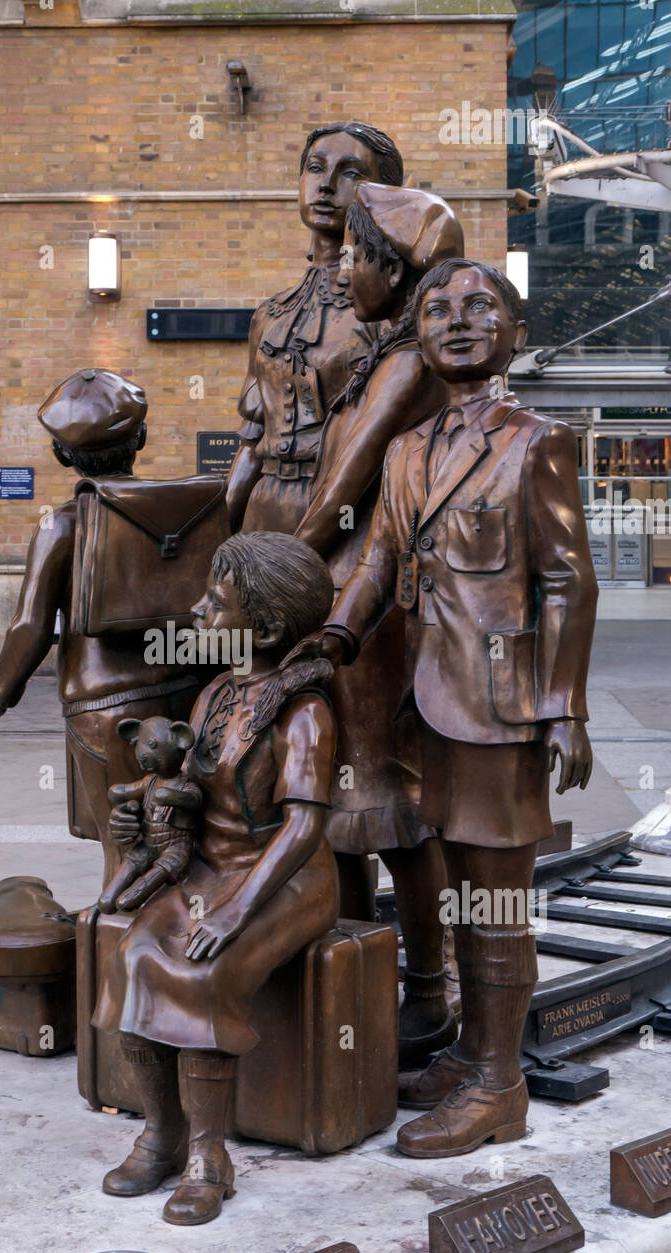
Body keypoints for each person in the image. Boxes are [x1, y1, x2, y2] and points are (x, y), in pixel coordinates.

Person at [286, 260, 597, 1158]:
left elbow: (568, 583)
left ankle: (501, 1088)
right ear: (417, 337)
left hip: (501, 713)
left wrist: (563, 707)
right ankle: (470, 1054)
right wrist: (335, 638)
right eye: (436, 310)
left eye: (479, 307)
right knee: (460, 895)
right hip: (426, 714)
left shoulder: (537, 441)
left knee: (498, 904)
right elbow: (379, 564)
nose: (456, 322)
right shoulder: (404, 452)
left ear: (515, 333)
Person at [93, 532, 339, 1225]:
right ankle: (161, 1133)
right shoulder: (213, 696)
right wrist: (146, 824)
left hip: (284, 878)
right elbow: (189, 791)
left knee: (204, 975)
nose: (198, 611)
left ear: (261, 626)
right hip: (209, 868)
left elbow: (303, 828)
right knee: (137, 954)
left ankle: (209, 1155)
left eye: (215, 602)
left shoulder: (306, 711)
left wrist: (233, 913)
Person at [294, 182, 465, 1063]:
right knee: (347, 797)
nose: (347, 271)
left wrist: (276, 572)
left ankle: (427, 988)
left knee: (381, 794)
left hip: (374, 597)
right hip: (350, 589)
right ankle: (358, 967)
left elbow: (339, 492)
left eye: (360, 258)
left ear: (393, 272)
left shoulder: (405, 366)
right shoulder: (380, 353)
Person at [0, 369, 201, 883]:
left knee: (127, 850)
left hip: (105, 707)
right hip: (187, 691)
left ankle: (121, 950)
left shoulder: (61, 525)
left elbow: (30, 624)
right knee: (184, 841)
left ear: (61, 455)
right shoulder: (186, 511)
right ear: (140, 439)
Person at [225, 120, 403, 535]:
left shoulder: (390, 311)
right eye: (316, 168)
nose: (326, 185)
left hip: (355, 518)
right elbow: (252, 445)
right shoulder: (270, 315)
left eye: (352, 172)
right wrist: (220, 539)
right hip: (265, 513)